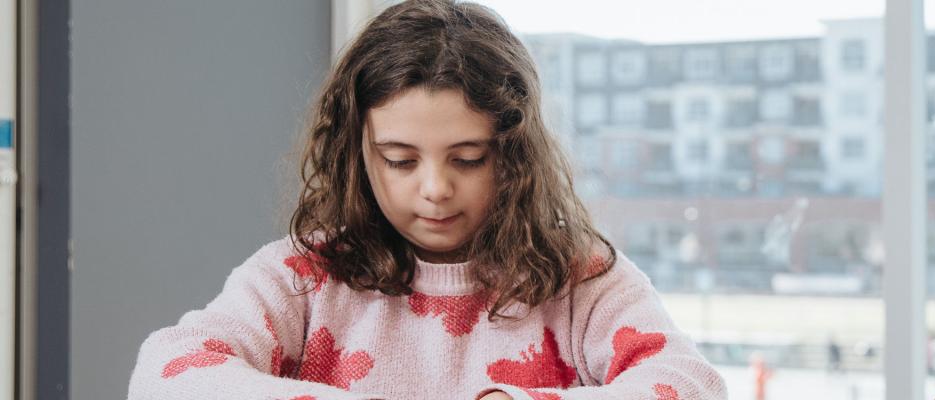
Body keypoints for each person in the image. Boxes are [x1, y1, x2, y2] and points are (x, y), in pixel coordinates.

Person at [127, 1, 725, 399]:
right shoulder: (303, 277)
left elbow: (689, 382)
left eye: (468, 159)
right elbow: (165, 375)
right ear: (357, 152)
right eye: (400, 161)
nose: (436, 188)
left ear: (513, 153)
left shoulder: (579, 275)